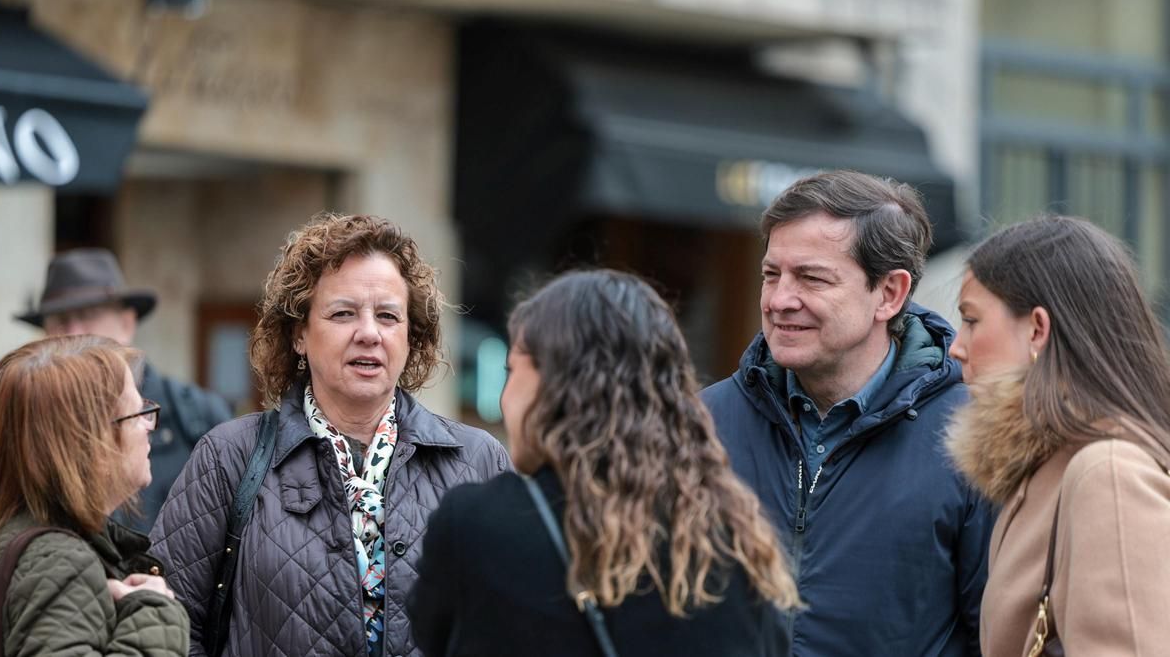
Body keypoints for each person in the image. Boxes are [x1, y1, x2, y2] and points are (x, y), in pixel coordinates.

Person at [150, 213, 511, 657]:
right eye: (343, 314)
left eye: (388, 316)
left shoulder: (478, 462)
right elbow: (167, 625)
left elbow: (516, 624)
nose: (369, 334)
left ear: (411, 336)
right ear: (299, 333)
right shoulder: (228, 458)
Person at [408, 269, 800, 656]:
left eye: (513, 371)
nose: (503, 398)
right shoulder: (741, 547)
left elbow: (430, 634)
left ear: (553, 387)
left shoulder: (475, 526)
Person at [700, 170, 993, 656]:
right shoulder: (701, 425)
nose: (779, 300)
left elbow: (998, 634)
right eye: (771, 274)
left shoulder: (975, 437)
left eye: (811, 278)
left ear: (890, 294)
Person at [945, 215, 1170, 655]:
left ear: (1037, 330)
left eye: (971, 320)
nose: (957, 345)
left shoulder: (1107, 471)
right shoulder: (1044, 470)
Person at [0, 335, 188, 655]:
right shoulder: (59, 562)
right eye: (136, 413)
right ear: (92, 446)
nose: (148, 425)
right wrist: (155, 612)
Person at [15, 247, 232, 533]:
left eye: (87, 315)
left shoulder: (196, 416)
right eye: (60, 321)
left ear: (127, 323)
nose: (73, 332)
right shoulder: (32, 422)